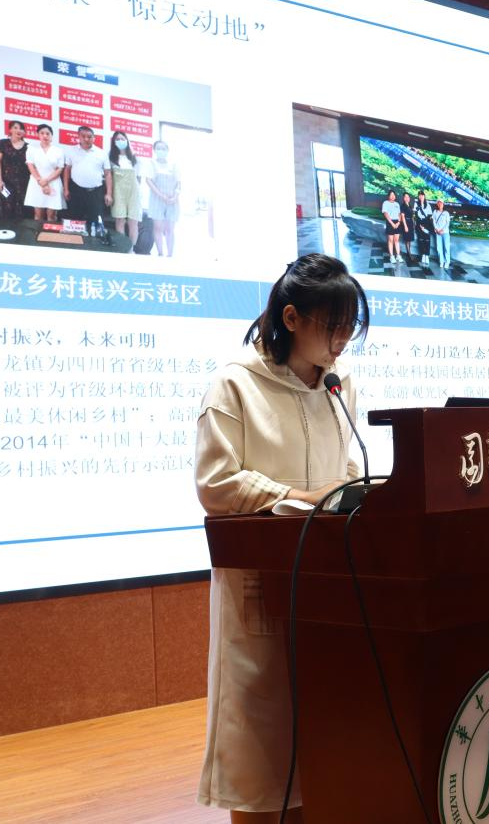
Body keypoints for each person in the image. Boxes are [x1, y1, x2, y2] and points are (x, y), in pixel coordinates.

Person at [194, 253, 370, 823]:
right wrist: (300, 499)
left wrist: (353, 492)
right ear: (291, 318)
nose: (342, 340)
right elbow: (217, 482)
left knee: (319, 753)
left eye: (350, 327)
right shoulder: (235, 383)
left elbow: (346, 464)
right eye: (333, 325)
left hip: (328, 589)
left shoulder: (340, 386)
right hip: (260, 589)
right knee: (260, 760)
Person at [63, 125, 111, 237]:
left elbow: (108, 174)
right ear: (78, 137)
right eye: (83, 136)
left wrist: (109, 193)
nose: (86, 139)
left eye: (89, 136)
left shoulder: (101, 153)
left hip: (96, 192)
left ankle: (94, 243)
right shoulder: (71, 151)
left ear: (94, 138)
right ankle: (74, 243)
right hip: (76, 190)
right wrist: (66, 189)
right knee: (75, 221)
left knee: (96, 222)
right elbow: (67, 170)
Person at [104, 132, 142, 249]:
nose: (120, 141)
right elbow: (108, 176)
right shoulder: (110, 158)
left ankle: (131, 249)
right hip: (118, 192)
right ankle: (122, 248)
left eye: (122, 138)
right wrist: (109, 194)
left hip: (133, 192)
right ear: (114, 142)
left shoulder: (134, 158)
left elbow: (139, 178)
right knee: (119, 220)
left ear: (127, 140)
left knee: (133, 221)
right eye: (118, 139)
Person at [143, 139, 181, 256]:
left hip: (172, 200)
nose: (161, 150)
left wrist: (175, 196)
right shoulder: (151, 164)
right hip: (157, 200)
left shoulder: (173, 165)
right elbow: (148, 181)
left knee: (170, 229)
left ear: (168, 150)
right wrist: (161, 195)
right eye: (158, 148)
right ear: (154, 150)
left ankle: (170, 254)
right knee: (158, 227)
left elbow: (178, 182)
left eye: (163, 148)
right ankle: (160, 253)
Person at [23, 124, 65, 223]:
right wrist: (40, 181)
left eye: (48, 133)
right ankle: (37, 232)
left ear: (51, 136)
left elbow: (60, 168)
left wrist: (46, 180)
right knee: (38, 214)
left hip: (53, 182)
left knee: (52, 215)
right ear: (38, 135)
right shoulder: (31, 149)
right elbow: (31, 166)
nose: (45, 136)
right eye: (42, 133)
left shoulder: (59, 151)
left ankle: (50, 232)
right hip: (37, 182)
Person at [0, 120, 29, 221]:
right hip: (6, 181)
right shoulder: (3, 143)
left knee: (21, 210)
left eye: (21, 129)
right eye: (15, 128)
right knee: (5, 208)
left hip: (23, 183)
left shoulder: (28, 147)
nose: (19, 130)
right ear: (10, 130)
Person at [432, 198, 452, 280]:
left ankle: (447, 262)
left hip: (445, 232)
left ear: (443, 204)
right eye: (439, 203)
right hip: (438, 233)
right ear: (437, 204)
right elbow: (434, 221)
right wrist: (437, 229)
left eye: (441, 203)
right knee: (439, 248)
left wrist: (442, 230)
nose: (440, 204)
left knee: (446, 247)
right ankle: (441, 261)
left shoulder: (446, 213)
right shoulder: (435, 212)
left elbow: (447, 223)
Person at [381, 190, 402, 263]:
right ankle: (391, 256)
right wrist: (392, 223)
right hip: (390, 222)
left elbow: (399, 214)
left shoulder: (397, 204)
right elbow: (385, 214)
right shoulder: (385, 203)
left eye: (394, 195)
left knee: (397, 240)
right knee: (390, 240)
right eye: (391, 195)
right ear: (388, 196)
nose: (393, 196)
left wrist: (399, 222)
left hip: (397, 222)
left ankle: (398, 256)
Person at [413, 190, 433, 265]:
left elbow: (429, 216)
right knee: (420, 240)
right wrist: (419, 224)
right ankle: (423, 255)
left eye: (422, 195)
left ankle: (427, 255)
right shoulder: (416, 204)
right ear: (418, 196)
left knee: (427, 240)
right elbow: (415, 215)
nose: (421, 197)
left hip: (426, 224)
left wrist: (424, 226)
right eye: (420, 195)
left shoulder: (428, 205)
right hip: (419, 223)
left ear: (424, 196)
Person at [399, 191, 415, 262]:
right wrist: (405, 226)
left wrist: (413, 223)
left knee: (410, 239)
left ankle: (409, 252)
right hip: (406, 223)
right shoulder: (402, 206)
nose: (407, 198)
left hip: (411, 223)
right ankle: (409, 254)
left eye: (408, 197)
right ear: (403, 198)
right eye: (405, 197)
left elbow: (412, 216)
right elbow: (402, 216)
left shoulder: (410, 206)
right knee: (407, 239)